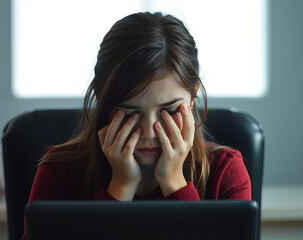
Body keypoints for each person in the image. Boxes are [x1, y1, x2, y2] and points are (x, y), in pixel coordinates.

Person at [22, 11, 251, 239]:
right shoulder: (60, 172)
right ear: (102, 100)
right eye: (131, 112)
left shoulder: (226, 172)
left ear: (192, 99)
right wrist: (120, 188)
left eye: (169, 110)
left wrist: (175, 184)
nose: (150, 132)